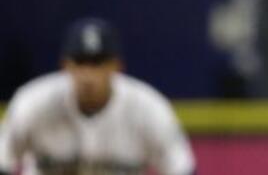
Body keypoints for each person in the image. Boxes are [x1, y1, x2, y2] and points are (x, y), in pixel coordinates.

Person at [0, 18, 195, 175]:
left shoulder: (148, 109)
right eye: (80, 62)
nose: (88, 75)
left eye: (98, 63)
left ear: (117, 66)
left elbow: (181, 168)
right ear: (65, 65)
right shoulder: (33, 103)